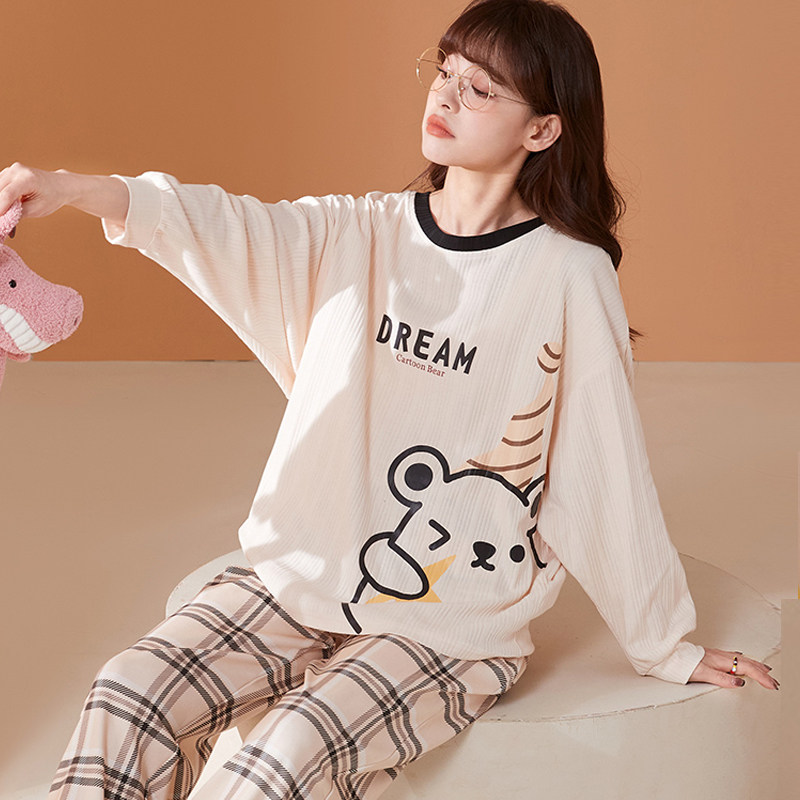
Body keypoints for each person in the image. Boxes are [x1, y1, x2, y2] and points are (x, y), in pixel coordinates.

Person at [0, 1, 778, 798]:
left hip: (449, 623)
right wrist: (70, 189)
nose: (445, 95)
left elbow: (602, 460)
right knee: (126, 691)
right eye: (445, 71)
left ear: (543, 130)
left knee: (283, 755)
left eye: (481, 89)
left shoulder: (567, 275)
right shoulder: (363, 233)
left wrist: (664, 642)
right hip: (299, 575)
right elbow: (222, 226)